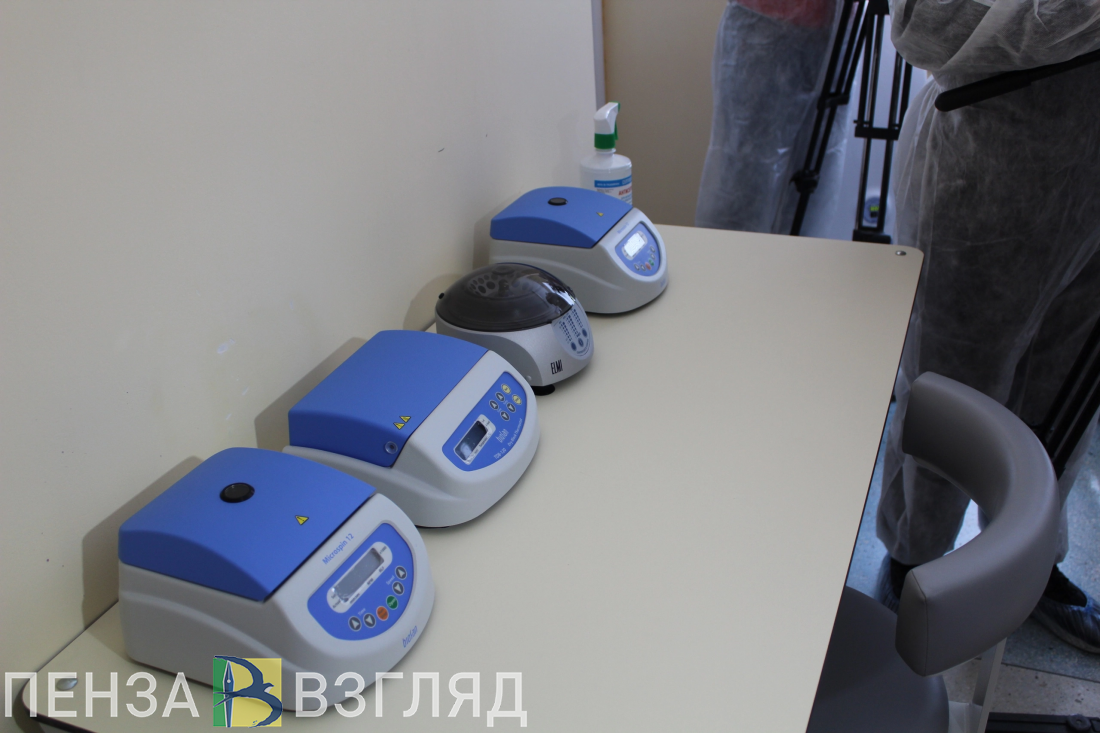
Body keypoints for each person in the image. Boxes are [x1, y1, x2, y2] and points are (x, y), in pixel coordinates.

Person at [875, 0, 1100, 652]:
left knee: (1064, 386)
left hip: (1091, 176)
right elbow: (926, 22)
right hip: (992, 161)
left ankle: (1031, 557)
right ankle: (913, 561)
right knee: (952, 385)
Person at [695, 0, 847, 236]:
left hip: (837, 36)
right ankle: (726, 258)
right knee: (742, 188)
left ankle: (799, 259)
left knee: (813, 191)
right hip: (765, 28)